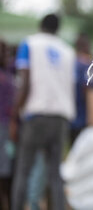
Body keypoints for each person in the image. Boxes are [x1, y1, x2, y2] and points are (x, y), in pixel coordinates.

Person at [9, 14, 76, 210]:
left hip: (36, 116)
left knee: (24, 171)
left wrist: (15, 115)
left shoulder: (29, 44)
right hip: (61, 118)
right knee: (55, 174)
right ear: (57, 29)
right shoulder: (67, 51)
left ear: (40, 25)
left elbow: (25, 83)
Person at [0, 40, 15, 210]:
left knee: (8, 171)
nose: (8, 57)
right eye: (4, 53)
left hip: (8, 128)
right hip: (3, 127)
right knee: (4, 174)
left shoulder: (8, 72)